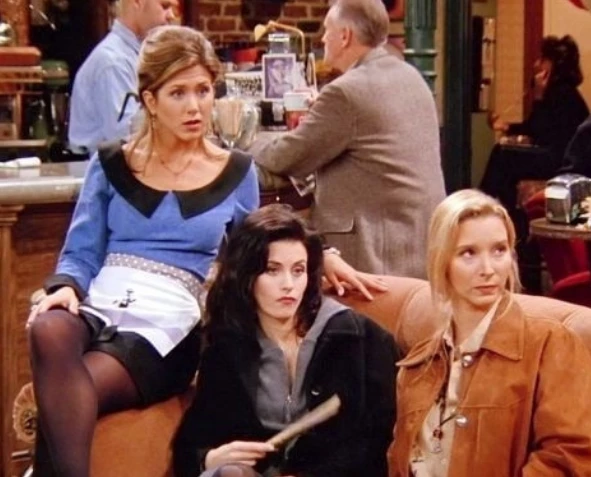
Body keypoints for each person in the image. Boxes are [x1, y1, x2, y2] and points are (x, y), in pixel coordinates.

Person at [27, 25, 259, 477]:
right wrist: (66, 286)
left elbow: (260, 248)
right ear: (150, 100)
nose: (194, 106)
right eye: (178, 93)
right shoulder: (111, 163)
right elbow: (81, 251)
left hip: (167, 327)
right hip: (100, 302)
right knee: (47, 328)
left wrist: (322, 257)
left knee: (71, 390)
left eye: (203, 90)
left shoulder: (235, 171)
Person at [172, 204, 399, 477]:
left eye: (298, 270)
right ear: (246, 277)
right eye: (272, 270)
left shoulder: (357, 337)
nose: (288, 284)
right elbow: (192, 441)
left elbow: (379, 440)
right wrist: (209, 458)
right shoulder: (228, 346)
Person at [389, 189, 591, 477]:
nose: (488, 269)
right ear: (441, 261)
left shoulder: (551, 344)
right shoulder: (417, 368)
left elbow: (569, 456)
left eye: (499, 250)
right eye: (468, 253)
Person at [249, 0, 445, 278]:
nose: (323, 38)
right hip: (421, 243)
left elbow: (286, 157)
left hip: (372, 253)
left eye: (327, 29)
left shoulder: (346, 92)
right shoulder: (410, 75)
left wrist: (248, 142)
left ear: (345, 36)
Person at [481, 35, 589, 208]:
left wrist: (538, 96)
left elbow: (538, 131)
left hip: (562, 162)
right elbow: (535, 127)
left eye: (542, 60)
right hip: (555, 156)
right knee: (505, 161)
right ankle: (508, 211)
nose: (536, 64)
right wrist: (507, 127)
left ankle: (483, 202)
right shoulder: (561, 91)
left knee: (502, 155)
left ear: (552, 64)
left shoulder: (563, 94)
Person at [67, 0, 178, 155]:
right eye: (164, 6)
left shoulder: (137, 56)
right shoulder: (113, 62)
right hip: (103, 167)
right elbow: (127, 137)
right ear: (137, 2)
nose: (171, 15)